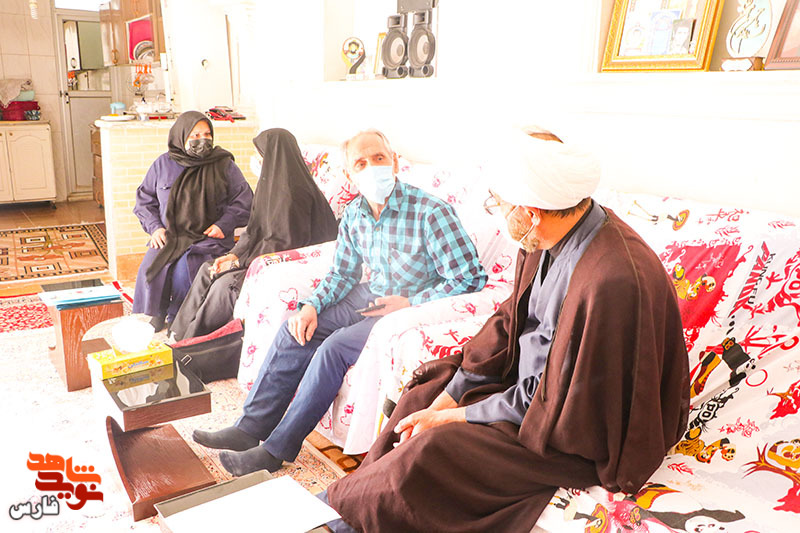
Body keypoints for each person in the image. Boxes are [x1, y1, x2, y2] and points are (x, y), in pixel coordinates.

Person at [319, 130, 690, 532]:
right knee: (423, 395)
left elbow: (564, 402)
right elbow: (510, 319)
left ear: (531, 212)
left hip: (570, 426)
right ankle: (343, 507)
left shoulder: (610, 280)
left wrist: (457, 418)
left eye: (500, 203)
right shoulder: (546, 233)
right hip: (531, 391)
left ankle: (342, 519)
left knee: (432, 448)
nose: (497, 211)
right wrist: (450, 397)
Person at [192, 129, 488, 476]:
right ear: (349, 174)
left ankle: (274, 451)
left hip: (408, 308)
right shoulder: (355, 215)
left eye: (379, 158)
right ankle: (248, 429)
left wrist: (410, 302)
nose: (372, 168)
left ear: (394, 162)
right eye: (361, 163)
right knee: (295, 329)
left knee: (333, 348)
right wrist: (312, 305)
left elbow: (470, 278)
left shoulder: (431, 212)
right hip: (371, 295)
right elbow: (343, 274)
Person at [169, 128, 338, 341]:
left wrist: (239, 263)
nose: (257, 160)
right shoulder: (269, 187)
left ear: (273, 156)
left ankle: (193, 342)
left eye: (260, 154)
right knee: (207, 269)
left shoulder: (294, 195)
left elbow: (283, 244)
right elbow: (253, 229)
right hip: (262, 256)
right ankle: (177, 334)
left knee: (225, 287)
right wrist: (233, 255)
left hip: (283, 264)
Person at [132, 111, 253, 331]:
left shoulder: (224, 164)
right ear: (181, 135)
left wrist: (223, 225)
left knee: (184, 272)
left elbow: (244, 200)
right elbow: (144, 200)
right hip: (170, 235)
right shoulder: (163, 164)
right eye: (195, 135)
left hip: (207, 237)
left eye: (207, 134)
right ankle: (158, 311)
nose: (202, 140)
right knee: (153, 267)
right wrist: (155, 228)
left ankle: (179, 316)